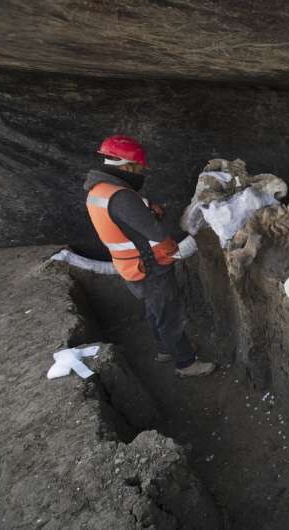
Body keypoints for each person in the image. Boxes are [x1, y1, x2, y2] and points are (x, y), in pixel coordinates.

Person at [84, 135, 215, 378]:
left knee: (154, 310)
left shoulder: (100, 190)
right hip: (150, 266)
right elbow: (156, 233)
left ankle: (166, 349)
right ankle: (185, 363)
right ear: (126, 166)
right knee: (169, 314)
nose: (141, 172)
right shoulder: (122, 198)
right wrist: (184, 246)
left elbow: (122, 217)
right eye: (138, 167)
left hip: (131, 267)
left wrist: (144, 205)